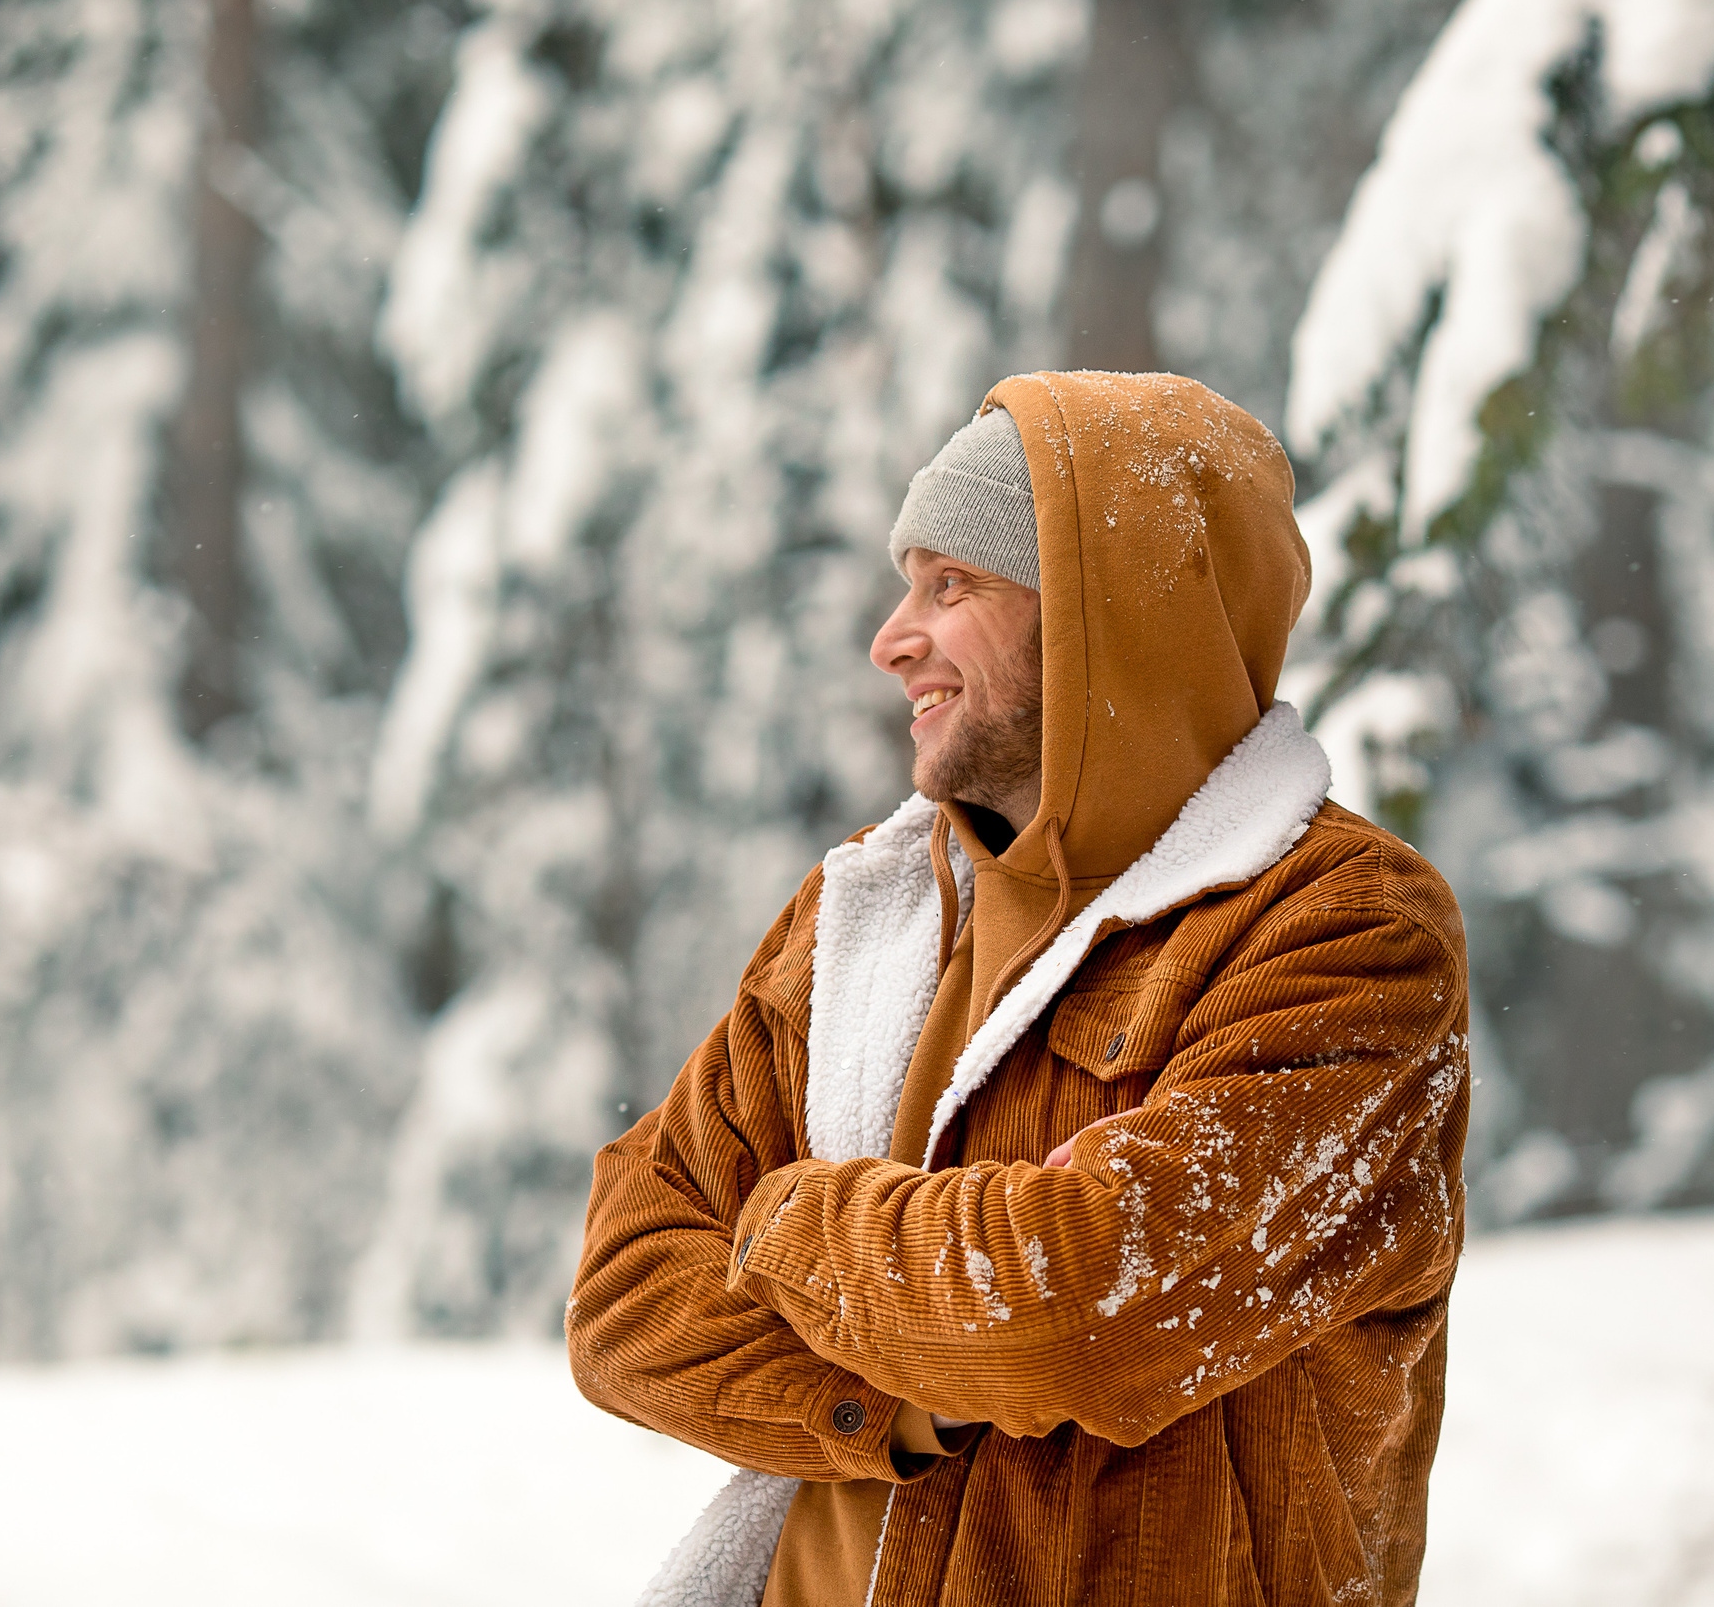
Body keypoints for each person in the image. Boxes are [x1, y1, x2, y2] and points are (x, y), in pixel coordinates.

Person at [567, 370, 1470, 1607]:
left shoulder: (1342, 933)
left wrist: (781, 1220)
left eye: (955, 586)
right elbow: (621, 1301)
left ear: (1110, 617)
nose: (891, 639)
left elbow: (1071, 1312)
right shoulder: (861, 919)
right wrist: (905, 1387)